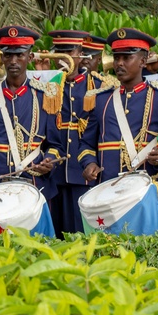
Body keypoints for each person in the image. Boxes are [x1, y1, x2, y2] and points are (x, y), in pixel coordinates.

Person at [0, 26, 61, 200]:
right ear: (1, 58)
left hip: (35, 183)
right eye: (9, 55)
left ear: (30, 57)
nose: (13, 61)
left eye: (20, 55)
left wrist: (49, 160)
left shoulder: (46, 96)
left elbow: (55, 145)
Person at [80, 28, 158, 184]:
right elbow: (86, 143)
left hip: (146, 187)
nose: (119, 63)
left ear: (143, 61)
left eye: (127, 58)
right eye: (116, 58)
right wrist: (89, 162)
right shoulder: (101, 99)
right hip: (107, 186)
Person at [49, 30, 100, 235]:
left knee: (83, 234)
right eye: (59, 52)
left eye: (69, 51)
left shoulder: (98, 85)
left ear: (80, 53)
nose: (64, 58)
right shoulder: (47, 85)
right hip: (54, 172)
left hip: (84, 171)